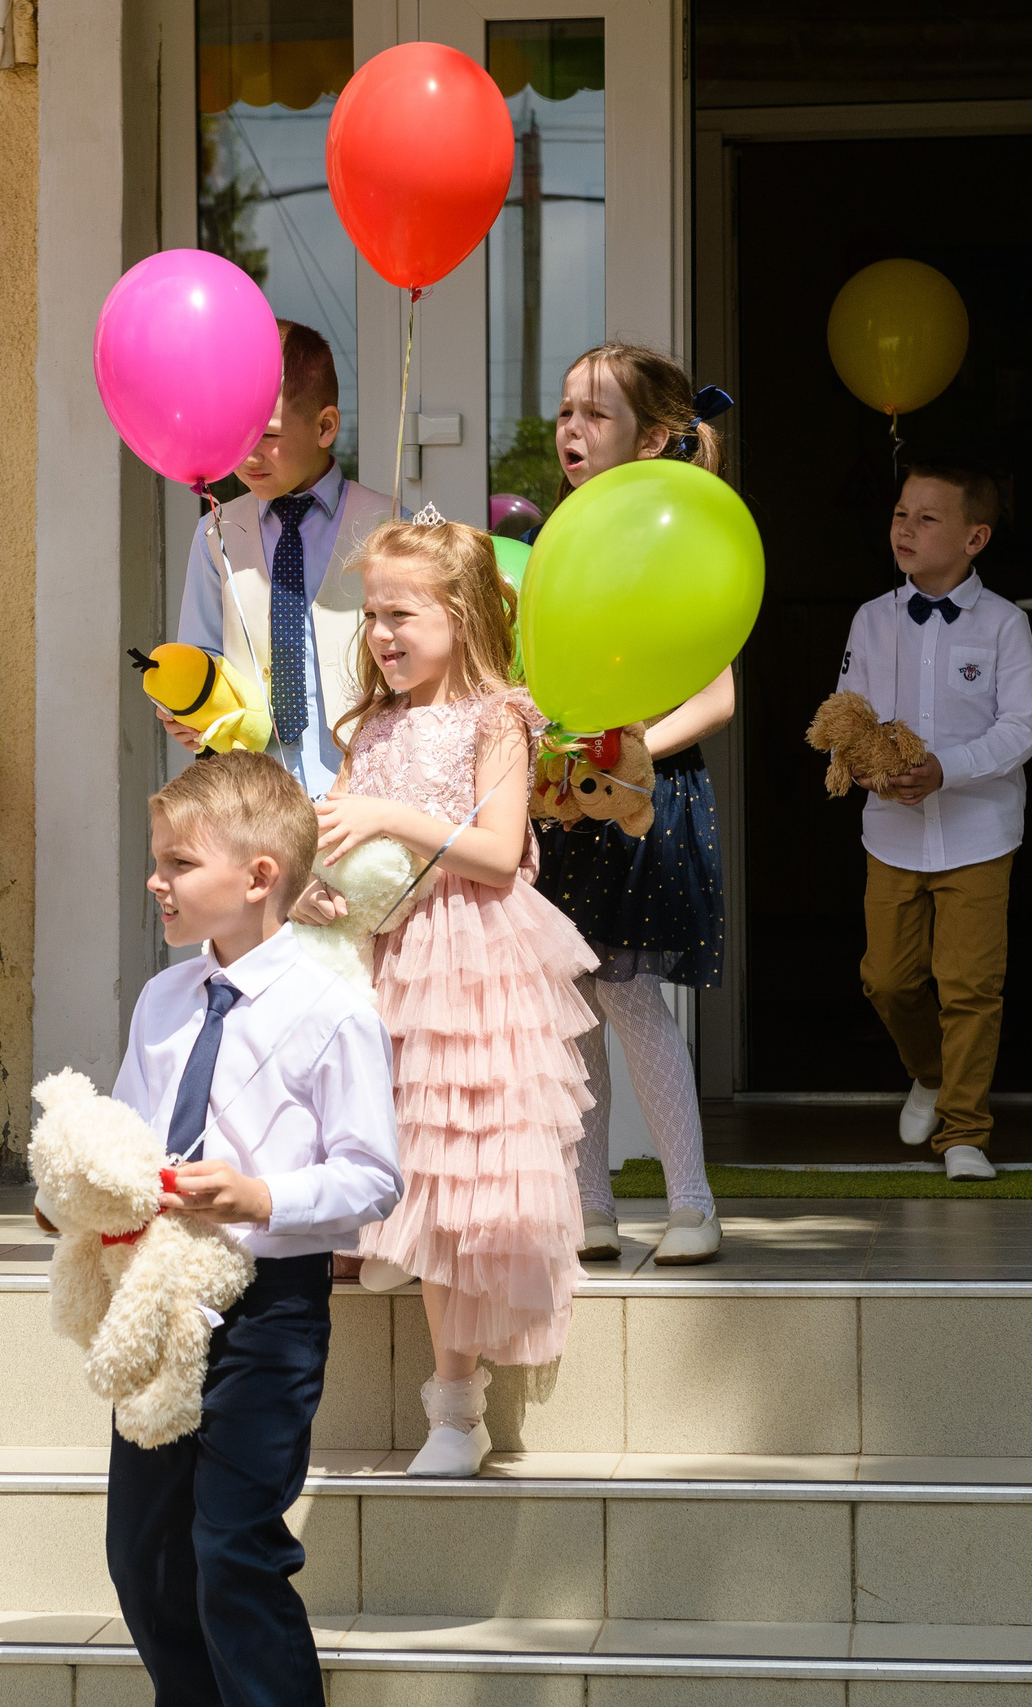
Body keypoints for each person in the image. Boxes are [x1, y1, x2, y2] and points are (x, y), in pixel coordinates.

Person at [295, 513, 598, 1478]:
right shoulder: (373, 724)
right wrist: (313, 883)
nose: (381, 633)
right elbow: (340, 838)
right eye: (371, 614)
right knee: (387, 1141)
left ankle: (457, 1406)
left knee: (456, 1165)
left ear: (462, 615)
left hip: (464, 955)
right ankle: (371, 1243)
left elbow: (501, 852)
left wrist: (388, 813)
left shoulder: (496, 717)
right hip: (378, 955)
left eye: (402, 614)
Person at [104, 749, 402, 1707]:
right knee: (142, 1554)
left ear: (259, 875)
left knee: (234, 1545)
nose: (156, 880)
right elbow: (124, 1135)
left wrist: (261, 1197)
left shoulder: (333, 1011)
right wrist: (83, 1191)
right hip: (162, 1303)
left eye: (179, 863)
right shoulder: (163, 1001)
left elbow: (373, 1175)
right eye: (157, 860)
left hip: (269, 1310)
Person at [529, 344, 737, 1266]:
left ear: (652, 438)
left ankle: (691, 1200)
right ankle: (591, 1205)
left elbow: (717, 695)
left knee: (625, 986)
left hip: (640, 797)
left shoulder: (674, 533)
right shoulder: (559, 535)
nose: (572, 430)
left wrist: (633, 750)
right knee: (572, 995)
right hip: (568, 797)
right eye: (565, 412)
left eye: (596, 414)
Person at [836, 463, 1032, 1181]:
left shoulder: (1005, 623)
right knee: (888, 981)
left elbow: (1022, 728)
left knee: (970, 986)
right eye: (901, 513)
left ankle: (964, 1134)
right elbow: (847, 716)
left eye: (927, 519)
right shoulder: (872, 619)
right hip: (891, 833)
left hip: (980, 831)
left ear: (974, 538)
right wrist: (865, 767)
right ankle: (930, 1072)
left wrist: (944, 768)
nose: (906, 529)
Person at [165, 321, 396, 796]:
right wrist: (190, 707)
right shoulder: (215, 533)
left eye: (267, 434)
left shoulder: (392, 525)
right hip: (254, 795)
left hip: (368, 790)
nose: (249, 454)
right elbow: (204, 657)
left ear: (325, 427)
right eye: (236, 433)